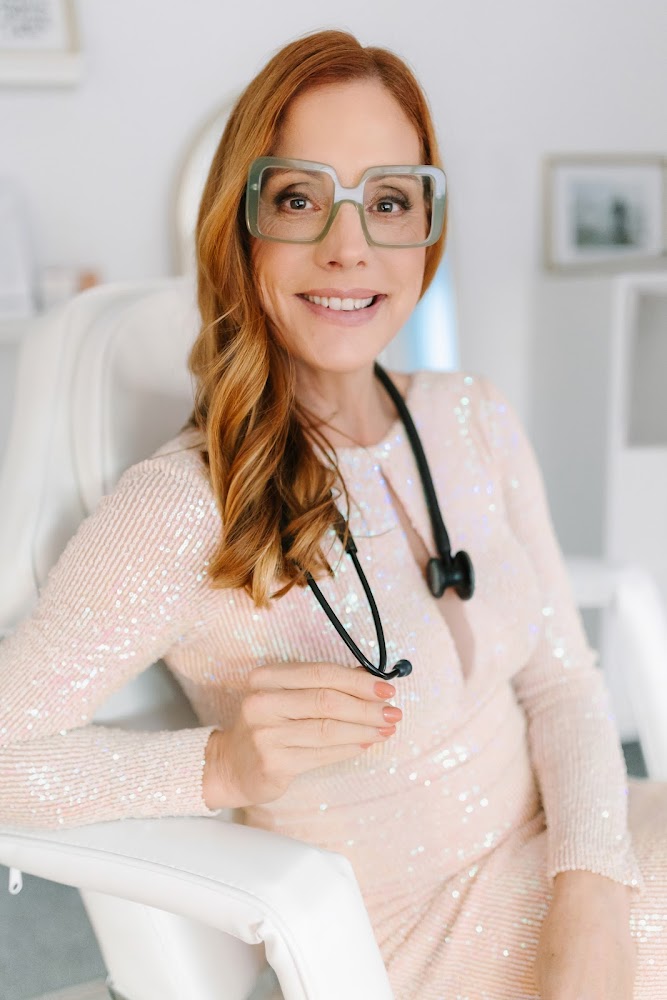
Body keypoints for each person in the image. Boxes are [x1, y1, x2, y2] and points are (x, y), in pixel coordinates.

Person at [1, 28, 665, 1000]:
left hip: (578, 856)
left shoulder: (471, 416)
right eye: (299, 199)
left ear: (426, 230)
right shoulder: (184, 505)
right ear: (241, 228)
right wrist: (221, 767)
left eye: (388, 201)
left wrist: (592, 885)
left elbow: (563, 684)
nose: (349, 246)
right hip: (427, 943)